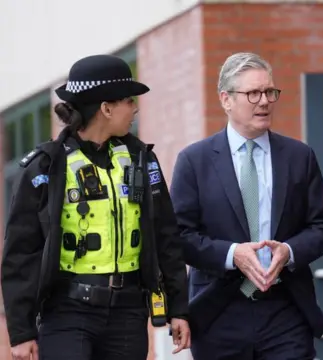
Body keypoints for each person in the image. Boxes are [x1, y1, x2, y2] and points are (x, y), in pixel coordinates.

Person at [1, 54, 191, 360]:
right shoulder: (45, 167)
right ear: (106, 108)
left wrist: (179, 308)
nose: (134, 108)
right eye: (128, 100)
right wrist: (21, 331)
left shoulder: (142, 159)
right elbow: (21, 254)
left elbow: (165, 235)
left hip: (129, 313)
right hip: (66, 313)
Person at [170, 51, 323, 360]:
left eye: (270, 92)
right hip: (218, 311)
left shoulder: (299, 157)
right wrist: (233, 255)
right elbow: (178, 237)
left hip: (285, 308)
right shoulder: (194, 161)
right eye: (253, 93)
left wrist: (289, 251)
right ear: (226, 99)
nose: (264, 101)